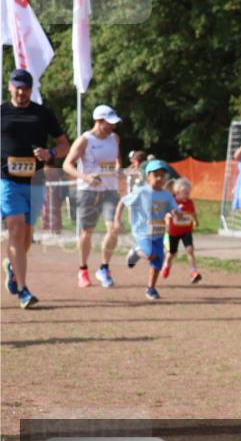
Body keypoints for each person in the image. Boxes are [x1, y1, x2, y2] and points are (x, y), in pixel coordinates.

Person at [1, 69, 70, 308]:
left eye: (25, 88)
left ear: (31, 89)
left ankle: (11, 266)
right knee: (16, 228)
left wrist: (50, 153)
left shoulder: (43, 114)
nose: (21, 92)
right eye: (17, 87)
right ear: (9, 87)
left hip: (35, 180)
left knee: (26, 237)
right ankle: (23, 291)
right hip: (7, 181)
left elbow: (64, 145)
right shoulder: (1, 112)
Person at [61, 104, 124, 288]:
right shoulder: (84, 140)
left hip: (110, 191)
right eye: (109, 123)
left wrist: (119, 167)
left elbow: (117, 158)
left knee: (114, 228)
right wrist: (86, 178)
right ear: (98, 121)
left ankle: (104, 268)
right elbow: (67, 165)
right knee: (87, 232)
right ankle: (83, 269)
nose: (113, 127)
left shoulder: (115, 138)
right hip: (88, 191)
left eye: (114, 123)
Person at [115, 159, 180, 301]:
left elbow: (175, 209)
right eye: (156, 175)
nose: (159, 178)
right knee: (150, 254)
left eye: (162, 175)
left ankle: (151, 289)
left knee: (158, 261)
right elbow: (122, 202)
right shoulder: (141, 192)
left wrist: (177, 214)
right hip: (142, 232)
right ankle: (136, 252)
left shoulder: (166, 195)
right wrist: (117, 220)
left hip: (158, 233)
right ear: (147, 176)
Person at [161, 177, 201, 283]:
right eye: (185, 193)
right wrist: (169, 216)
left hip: (186, 231)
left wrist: (196, 221)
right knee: (171, 254)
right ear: (177, 192)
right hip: (173, 233)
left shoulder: (190, 202)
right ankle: (166, 266)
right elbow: (166, 214)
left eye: (188, 193)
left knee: (190, 250)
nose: (187, 195)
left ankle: (194, 272)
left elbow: (193, 213)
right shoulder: (173, 202)